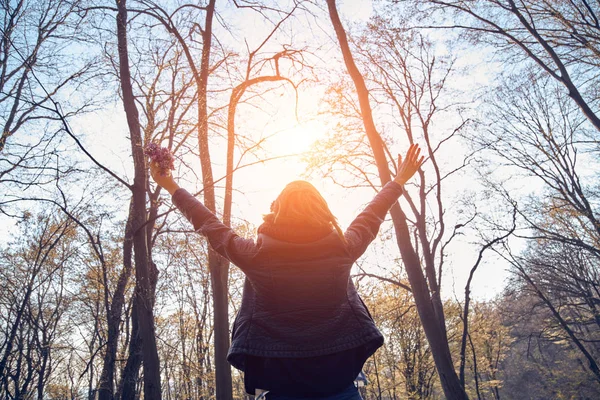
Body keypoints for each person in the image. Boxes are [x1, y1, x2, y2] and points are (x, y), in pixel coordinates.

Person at [150, 144, 424, 399]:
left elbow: (210, 225)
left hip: (281, 385)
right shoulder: (343, 248)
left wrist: (170, 184)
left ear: (276, 210)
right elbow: (372, 214)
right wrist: (398, 181)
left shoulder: (257, 256)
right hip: (339, 382)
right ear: (323, 210)